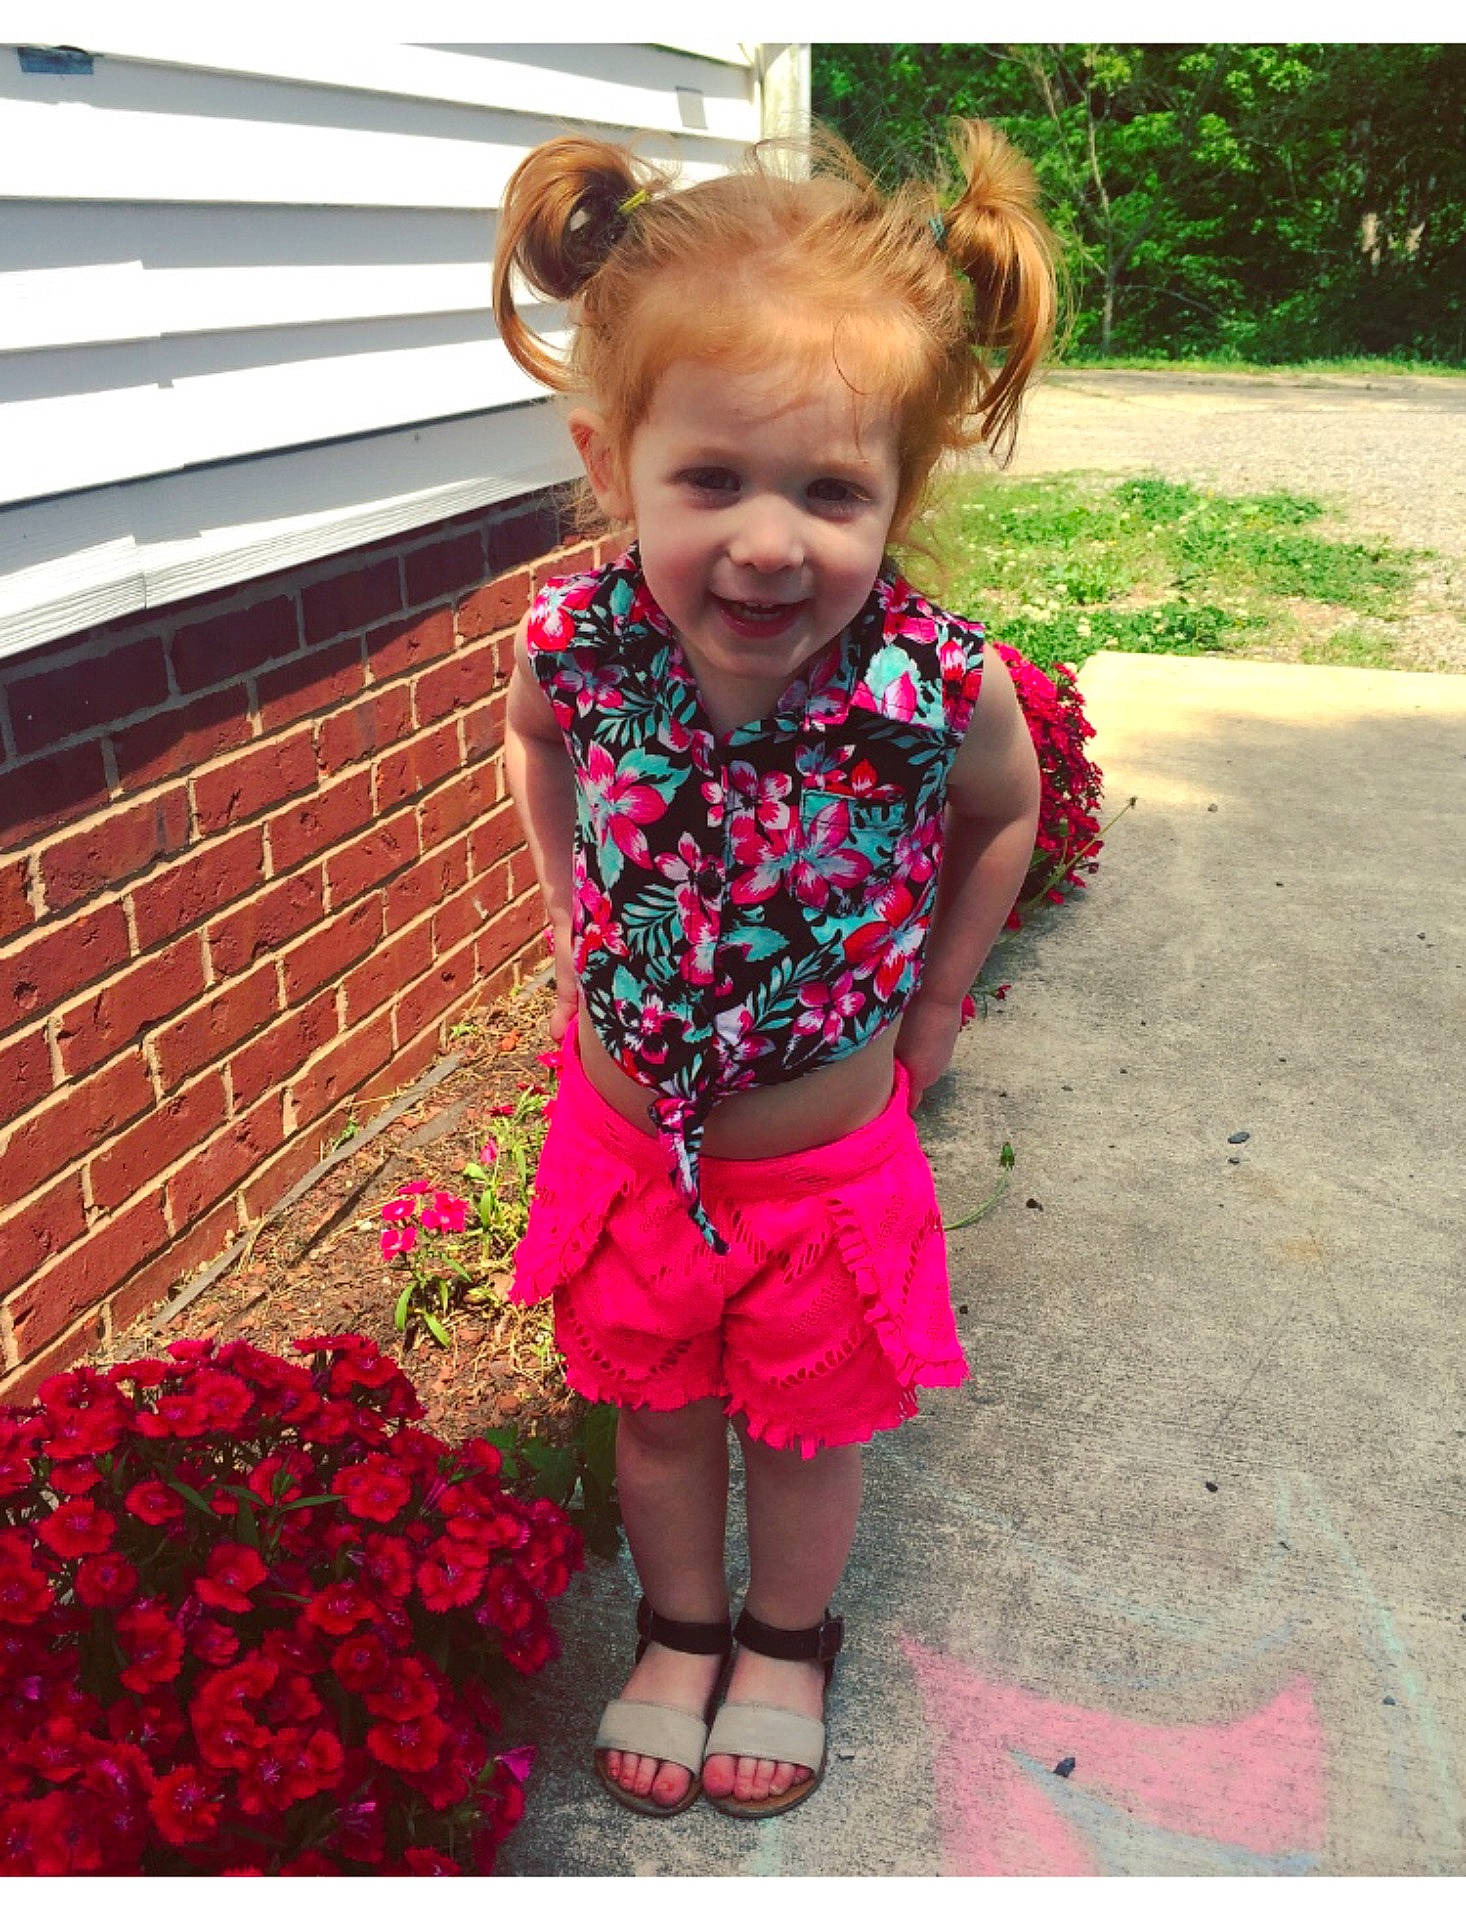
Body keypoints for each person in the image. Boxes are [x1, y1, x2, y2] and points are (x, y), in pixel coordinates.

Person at [494, 116, 1055, 1821]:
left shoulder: (930, 686)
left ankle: (787, 1638)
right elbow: (533, 749)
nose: (767, 543)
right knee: (658, 1421)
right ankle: (676, 1630)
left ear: (901, 491)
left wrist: (942, 998)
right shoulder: (578, 645)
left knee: (806, 1429)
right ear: (613, 463)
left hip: (822, 1164)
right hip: (628, 1142)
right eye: (711, 481)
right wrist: (562, 918)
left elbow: (1006, 817)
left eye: (830, 492)